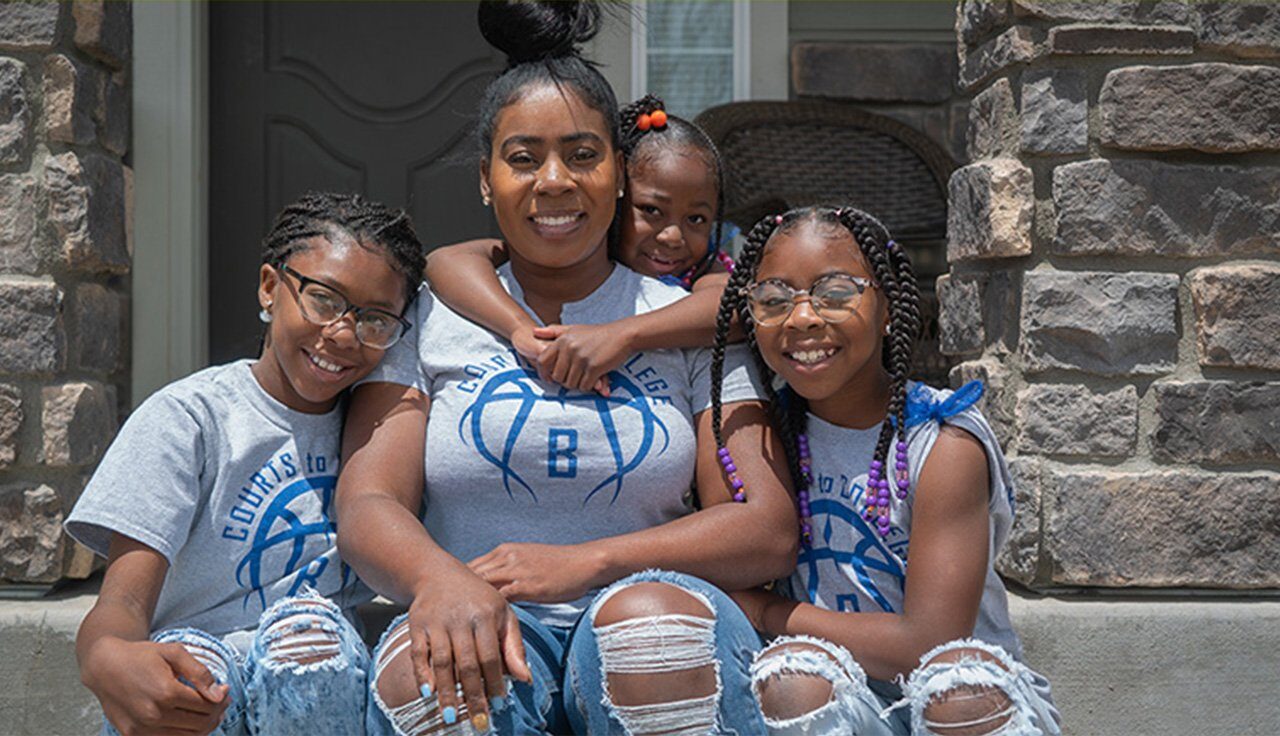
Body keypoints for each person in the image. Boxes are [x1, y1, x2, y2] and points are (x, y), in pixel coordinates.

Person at [335, 2, 797, 734]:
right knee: (426, 687)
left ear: (620, 174)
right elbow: (366, 505)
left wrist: (589, 564)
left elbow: (767, 529)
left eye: (583, 155)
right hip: (477, 611)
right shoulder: (433, 315)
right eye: (523, 159)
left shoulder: (685, 319)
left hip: (649, 606)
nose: (554, 181)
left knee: (649, 640)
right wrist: (437, 579)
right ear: (486, 182)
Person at [67, 192, 426, 736]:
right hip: (201, 675)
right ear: (268, 287)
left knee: (307, 647)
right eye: (324, 300)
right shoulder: (189, 419)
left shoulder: (380, 436)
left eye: (376, 320)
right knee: (188, 677)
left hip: (317, 690)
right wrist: (106, 653)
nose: (344, 334)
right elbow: (122, 600)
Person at [708, 205, 1062, 735]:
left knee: (955, 692)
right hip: (844, 700)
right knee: (791, 679)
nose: (803, 317)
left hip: (964, 707)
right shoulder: (764, 435)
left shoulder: (942, 443)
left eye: (835, 294)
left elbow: (930, 644)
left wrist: (765, 612)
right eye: (774, 300)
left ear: (889, 306)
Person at [425, 94, 737, 396]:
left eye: (696, 219)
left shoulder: (703, 272)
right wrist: (521, 329)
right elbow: (445, 262)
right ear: (616, 192)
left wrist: (622, 335)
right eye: (651, 211)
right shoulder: (578, 258)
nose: (672, 236)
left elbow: (735, 310)